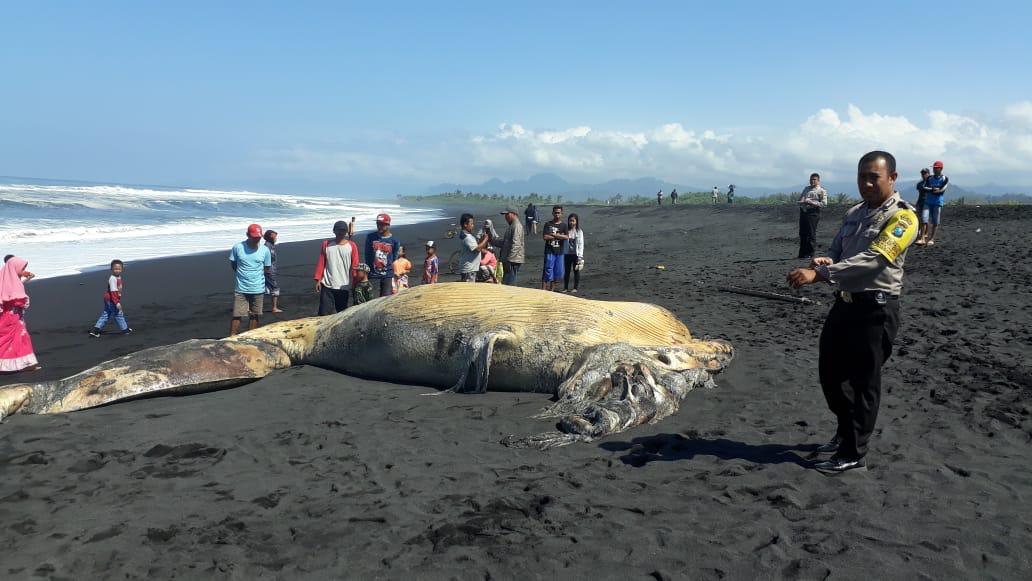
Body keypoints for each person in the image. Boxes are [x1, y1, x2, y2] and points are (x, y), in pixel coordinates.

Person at [787, 150, 918, 474]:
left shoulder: (904, 218)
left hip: (876, 308)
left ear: (892, 178)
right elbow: (838, 249)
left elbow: (876, 259)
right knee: (831, 375)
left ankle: (853, 452)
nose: (867, 183)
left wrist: (820, 275)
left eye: (874, 176)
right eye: (862, 176)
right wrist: (826, 260)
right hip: (844, 304)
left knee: (864, 383)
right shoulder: (855, 213)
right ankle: (846, 431)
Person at [229, 224, 272, 336]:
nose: (257, 239)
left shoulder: (265, 250)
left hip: (258, 287)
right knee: (237, 314)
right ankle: (232, 337)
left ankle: (250, 336)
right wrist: (244, 275)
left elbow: (266, 268)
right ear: (248, 235)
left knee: (255, 314)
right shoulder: (238, 247)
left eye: (259, 237)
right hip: (241, 288)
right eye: (254, 237)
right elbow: (233, 265)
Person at [0, 256, 39, 373]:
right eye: (21, 268)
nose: (22, 270)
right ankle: (26, 364)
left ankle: (26, 364)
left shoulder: (3, 277)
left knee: (10, 339)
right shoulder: (13, 282)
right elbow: (19, 300)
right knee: (18, 338)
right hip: (12, 317)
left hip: (5, 316)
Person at [314, 220, 360, 315]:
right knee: (323, 314)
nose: (340, 232)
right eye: (338, 230)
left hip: (343, 286)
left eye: (343, 230)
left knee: (342, 314)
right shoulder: (326, 244)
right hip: (327, 285)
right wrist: (318, 279)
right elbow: (322, 262)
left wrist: (356, 282)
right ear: (334, 231)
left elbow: (355, 265)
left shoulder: (352, 246)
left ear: (346, 232)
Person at [88, 259, 132, 337]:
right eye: (115, 269)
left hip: (109, 298)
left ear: (122, 269)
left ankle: (96, 330)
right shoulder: (113, 279)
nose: (117, 270)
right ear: (111, 269)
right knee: (118, 314)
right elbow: (113, 292)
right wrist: (117, 303)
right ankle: (125, 330)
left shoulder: (118, 277)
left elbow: (118, 290)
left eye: (119, 269)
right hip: (111, 299)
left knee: (106, 314)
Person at [365, 213, 399, 297]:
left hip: (387, 274)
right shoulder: (370, 237)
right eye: (377, 224)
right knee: (372, 300)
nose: (379, 226)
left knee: (384, 299)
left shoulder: (394, 241)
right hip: (373, 274)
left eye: (381, 224)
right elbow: (367, 255)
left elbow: (394, 257)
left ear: (388, 225)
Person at [490, 207, 526, 285]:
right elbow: (505, 243)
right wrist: (492, 241)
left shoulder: (516, 226)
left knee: (509, 283)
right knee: (506, 281)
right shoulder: (512, 226)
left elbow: (516, 245)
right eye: (505, 215)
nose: (505, 217)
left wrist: (509, 260)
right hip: (510, 260)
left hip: (513, 261)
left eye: (507, 214)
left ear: (514, 214)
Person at [917, 161, 949, 246]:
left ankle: (932, 239)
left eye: (936, 168)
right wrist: (932, 189)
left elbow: (943, 189)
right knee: (924, 219)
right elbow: (924, 188)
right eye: (934, 168)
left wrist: (936, 190)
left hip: (937, 202)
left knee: (935, 221)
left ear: (941, 168)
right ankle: (922, 238)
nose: (934, 169)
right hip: (928, 201)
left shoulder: (944, 178)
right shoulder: (929, 178)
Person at [797, 172, 828, 259]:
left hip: (813, 212)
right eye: (811, 179)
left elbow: (824, 204)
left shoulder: (821, 190)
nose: (812, 181)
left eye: (814, 180)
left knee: (811, 233)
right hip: (804, 211)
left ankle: (810, 254)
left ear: (818, 181)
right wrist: (802, 201)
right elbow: (800, 198)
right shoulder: (806, 189)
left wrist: (811, 202)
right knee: (802, 233)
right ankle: (802, 254)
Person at [541, 205, 569, 291]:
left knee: (558, 271)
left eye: (559, 213)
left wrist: (554, 235)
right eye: (555, 213)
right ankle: (543, 289)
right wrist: (559, 236)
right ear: (553, 213)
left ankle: (552, 290)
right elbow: (545, 237)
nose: (557, 214)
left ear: (561, 214)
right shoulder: (548, 224)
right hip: (549, 251)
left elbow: (566, 237)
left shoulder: (564, 226)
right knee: (548, 270)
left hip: (559, 252)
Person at [457, 213, 490, 282]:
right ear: (465, 224)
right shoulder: (467, 237)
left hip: (470, 269)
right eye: (471, 224)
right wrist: (486, 239)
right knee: (468, 290)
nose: (473, 226)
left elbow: (477, 246)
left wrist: (482, 240)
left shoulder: (466, 235)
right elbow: (477, 249)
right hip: (469, 270)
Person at [562, 213, 585, 293]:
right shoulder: (566, 231)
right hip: (567, 254)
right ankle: (565, 287)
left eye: (573, 221)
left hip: (576, 254)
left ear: (576, 221)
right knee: (566, 271)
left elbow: (581, 244)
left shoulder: (579, 232)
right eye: (570, 221)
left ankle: (575, 288)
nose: (571, 222)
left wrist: (580, 256)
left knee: (576, 271)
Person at [263, 230, 283, 313]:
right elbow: (267, 259)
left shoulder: (271, 245)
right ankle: (274, 308)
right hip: (268, 271)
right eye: (274, 236)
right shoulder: (267, 246)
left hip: (271, 270)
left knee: (265, 289)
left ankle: (249, 307)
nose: (276, 238)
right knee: (275, 288)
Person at [915, 168, 932, 242]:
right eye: (922, 173)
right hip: (920, 201)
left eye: (925, 173)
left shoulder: (931, 183)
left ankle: (925, 233)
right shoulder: (920, 184)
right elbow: (920, 190)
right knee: (919, 218)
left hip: (927, 202)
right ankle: (922, 233)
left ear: (928, 173)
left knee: (924, 219)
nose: (923, 175)